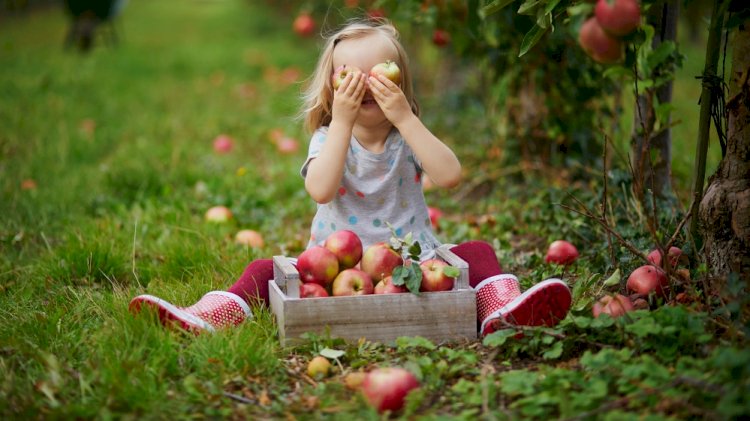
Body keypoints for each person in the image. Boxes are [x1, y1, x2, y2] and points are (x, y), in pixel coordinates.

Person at [129, 18, 571, 337]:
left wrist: (405, 117)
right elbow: (320, 188)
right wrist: (340, 123)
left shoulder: (407, 139)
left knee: (476, 251)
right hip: (332, 270)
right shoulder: (328, 137)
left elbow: (450, 175)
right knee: (264, 269)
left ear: (400, 86)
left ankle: (501, 308)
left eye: (378, 75)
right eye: (349, 78)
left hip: (411, 267)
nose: (364, 86)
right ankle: (210, 316)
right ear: (333, 91)